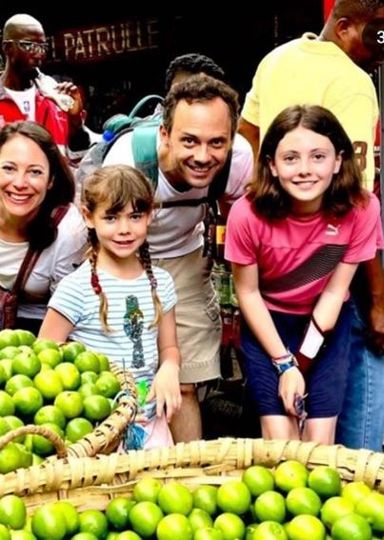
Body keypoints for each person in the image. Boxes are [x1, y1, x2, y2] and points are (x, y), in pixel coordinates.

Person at [237, 0, 384, 450]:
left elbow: (244, 144)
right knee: (361, 402)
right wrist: (380, 302)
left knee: (291, 435)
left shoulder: (274, 61)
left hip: (282, 276)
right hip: (328, 274)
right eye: (381, 34)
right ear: (345, 25)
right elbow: (356, 202)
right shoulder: (352, 83)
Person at [100, 74, 254, 442]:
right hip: (125, 258)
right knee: (125, 385)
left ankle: (188, 483)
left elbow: (250, 222)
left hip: (185, 259)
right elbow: (101, 231)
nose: (203, 156)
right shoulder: (128, 159)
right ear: (165, 135)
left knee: (184, 386)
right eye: (190, 141)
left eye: (216, 142)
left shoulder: (240, 160)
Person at [226, 105, 382, 443]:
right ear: (271, 164)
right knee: (281, 444)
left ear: (339, 161)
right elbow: (248, 294)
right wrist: (284, 364)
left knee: (318, 443)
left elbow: (333, 293)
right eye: (291, 158)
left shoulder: (362, 208)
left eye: (318, 157)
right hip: (266, 322)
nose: (305, 170)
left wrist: (302, 363)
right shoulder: (246, 214)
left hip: (324, 324)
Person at [39, 165, 181, 450]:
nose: (125, 229)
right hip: (97, 428)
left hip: (151, 422)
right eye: (112, 217)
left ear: (150, 215)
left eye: (135, 216)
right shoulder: (75, 289)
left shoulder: (161, 283)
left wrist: (170, 369)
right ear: (88, 216)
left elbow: (169, 348)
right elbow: (44, 358)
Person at [0, 13, 90, 277]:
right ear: (7, 48)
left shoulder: (54, 96)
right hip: (0, 228)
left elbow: (77, 160)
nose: (38, 54)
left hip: (51, 227)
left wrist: (75, 122)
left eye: (43, 46)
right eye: (29, 45)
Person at [0, 121, 87, 334]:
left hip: (39, 330)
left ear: (50, 180)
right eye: (9, 168)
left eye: (35, 172)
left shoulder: (69, 232)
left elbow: (67, 310)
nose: (19, 183)